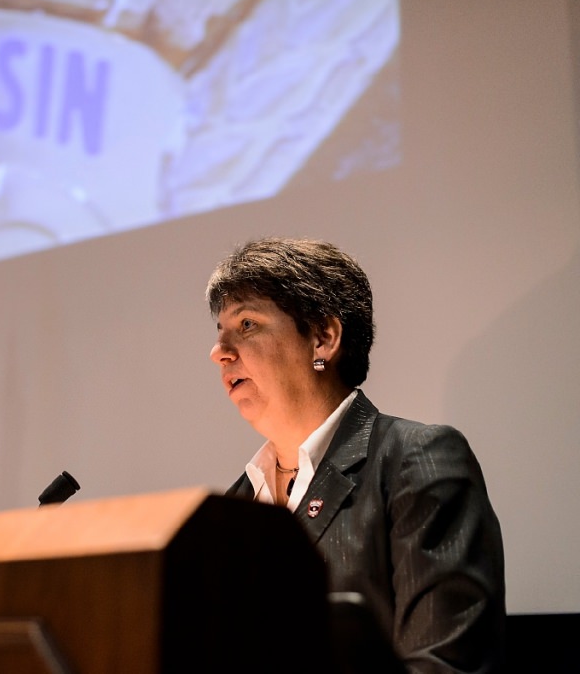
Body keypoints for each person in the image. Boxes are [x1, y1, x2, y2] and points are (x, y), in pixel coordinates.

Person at [206, 237, 506, 673]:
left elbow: (445, 665)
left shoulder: (415, 461)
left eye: (246, 324)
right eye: (220, 332)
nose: (219, 352)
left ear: (323, 339)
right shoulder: (236, 506)